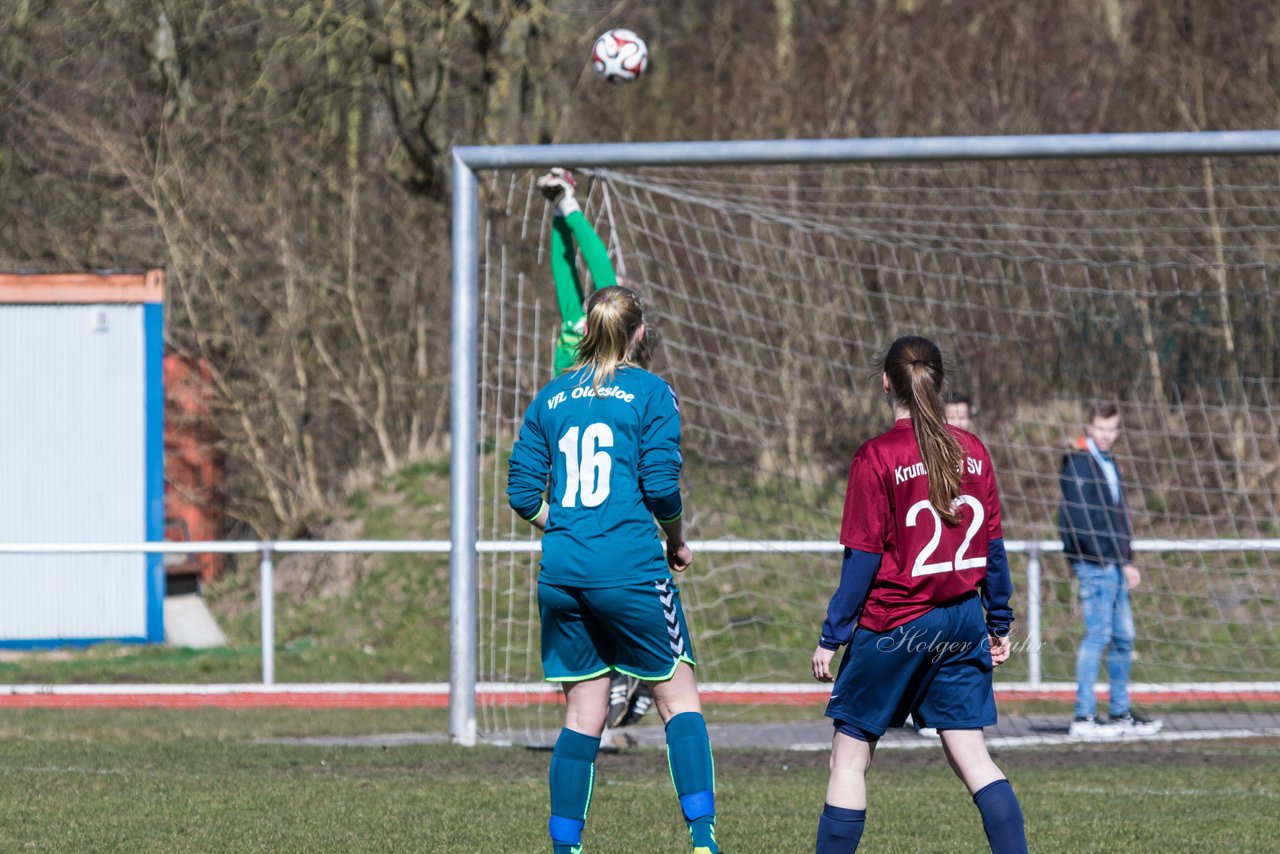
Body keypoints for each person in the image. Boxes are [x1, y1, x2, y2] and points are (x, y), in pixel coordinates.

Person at [507, 284, 720, 854]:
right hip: (629, 568)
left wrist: (568, 524)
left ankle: (565, 848)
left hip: (563, 575)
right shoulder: (653, 392)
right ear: (640, 334)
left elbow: (523, 494)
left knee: (583, 713)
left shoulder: (549, 397)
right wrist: (676, 539)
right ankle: (703, 841)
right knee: (679, 699)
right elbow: (660, 487)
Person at [811, 335, 1027, 854]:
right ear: (938, 384)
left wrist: (832, 636)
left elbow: (862, 561)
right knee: (973, 756)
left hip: (897, 622)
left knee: (849, 756)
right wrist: (999, 621)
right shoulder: (973, 451)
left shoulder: (876, 458)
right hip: (961, 620)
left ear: (887, 383)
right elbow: (993, 550)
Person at [538, 167, 656, 731]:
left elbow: (569, 273)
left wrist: (560, 212)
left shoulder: (566, 354)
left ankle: (602, 696)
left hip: (570, 513)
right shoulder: (628, 370)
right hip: (617, 511)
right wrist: (570, 206)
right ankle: (632, 681)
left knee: (581, 599)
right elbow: (603, 278)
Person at [1058, 400, 1163, 739]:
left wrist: (1126, 559)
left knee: (1123, 637)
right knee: (1098, 635)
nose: (1106, 435)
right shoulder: (1078, 463)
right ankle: (1084, 717)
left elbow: (1119, 518)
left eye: (1112, 429)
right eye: (1101, 428)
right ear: (1088, 427)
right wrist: (1101, 557)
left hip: (1115, 564)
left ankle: (1119, 712)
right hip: (1095, 564)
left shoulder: (1110, 462)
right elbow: (1077, 518)